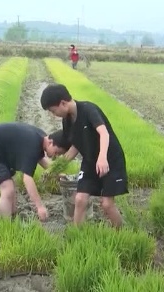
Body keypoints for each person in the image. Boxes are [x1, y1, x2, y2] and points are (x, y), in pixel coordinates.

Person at [40, 83, 128, 228]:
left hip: (109, 159)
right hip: (90, 160)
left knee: (107, 204)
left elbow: (104, 133)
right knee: (80, 199)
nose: (53, 115)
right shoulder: (67, 120)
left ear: (63, 103)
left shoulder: (88, 109)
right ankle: (77, 233)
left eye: (53, 111)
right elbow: (76, 145)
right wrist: (58, 166)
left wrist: (102, 157)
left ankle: (120, 233)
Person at [0, 123, 69, 221]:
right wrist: (40, 207)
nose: (56, 156)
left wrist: (57, 174)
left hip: (2, 151)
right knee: (7, 189)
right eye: (57, 152)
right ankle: (6, 224)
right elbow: (27, 179)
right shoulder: (33, 145)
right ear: (50, 142)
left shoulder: (42, 137)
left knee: (10, 188)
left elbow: (41, 159)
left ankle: (11, 216)